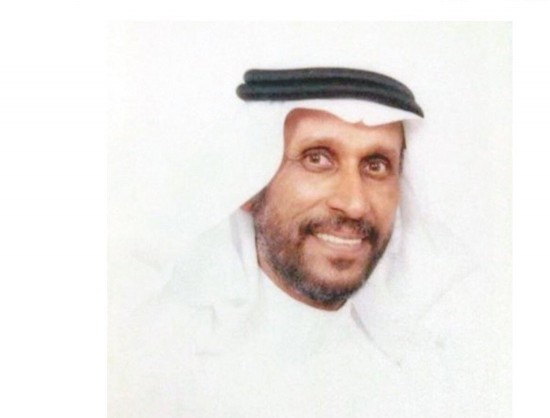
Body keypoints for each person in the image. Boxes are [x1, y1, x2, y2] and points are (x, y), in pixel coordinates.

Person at [111, 67, 430, 417]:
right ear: (249, 184)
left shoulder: (413, 380)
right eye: (317, 159)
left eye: (376, 166)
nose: (354, 203)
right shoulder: (153, 366)